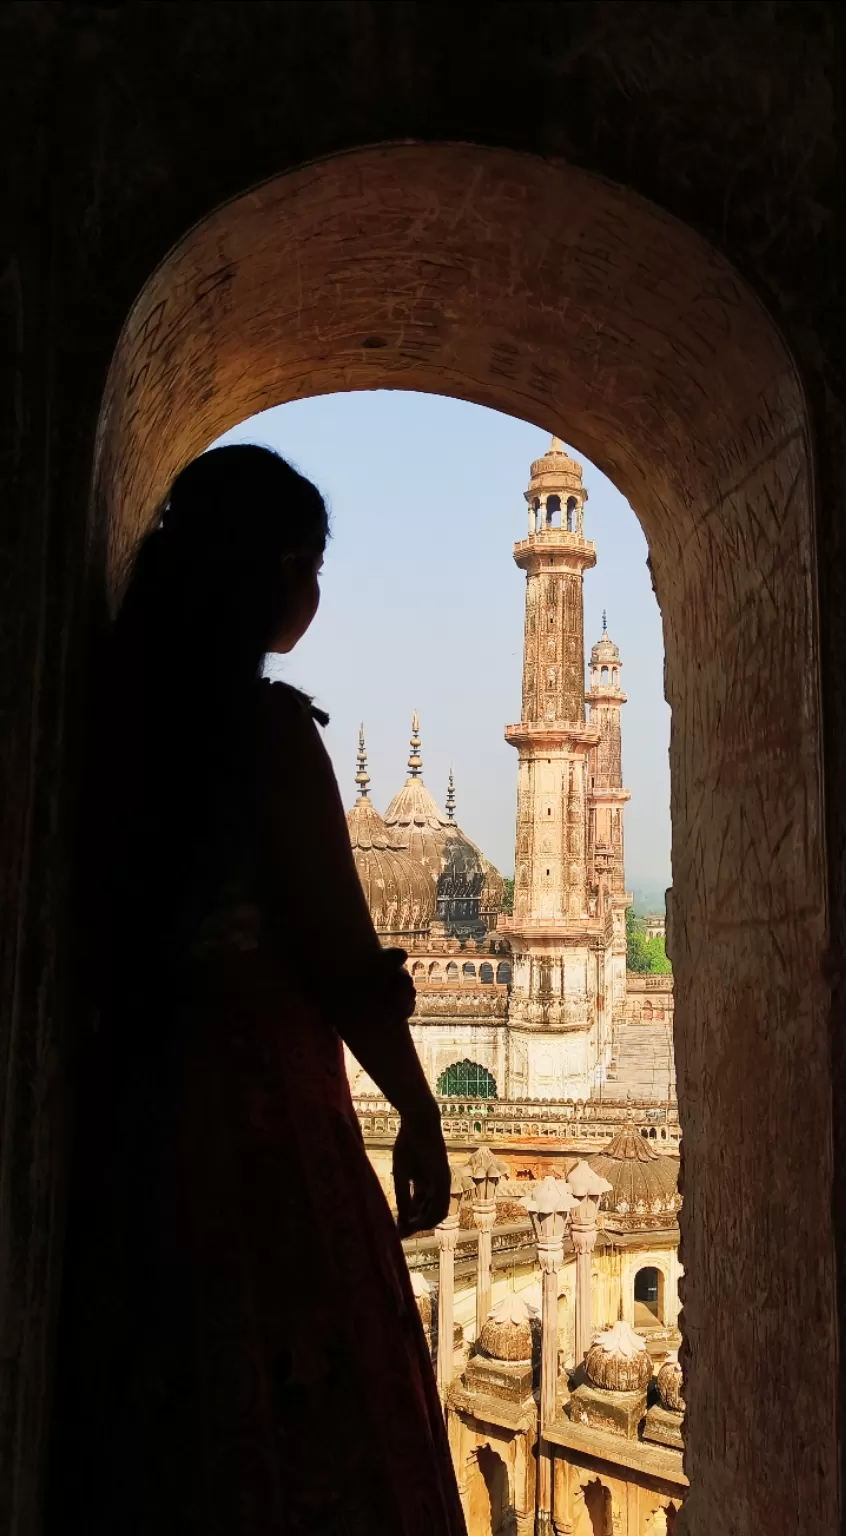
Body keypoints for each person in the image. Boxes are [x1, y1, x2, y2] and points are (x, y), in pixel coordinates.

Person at [50, 446, 466, 1535]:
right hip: (267, 1126)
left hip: (135, 1123)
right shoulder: (266, 734)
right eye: (312, 568)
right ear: (280, 573)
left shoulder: (113, 719)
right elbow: (340, 956)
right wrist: (419, 1114)